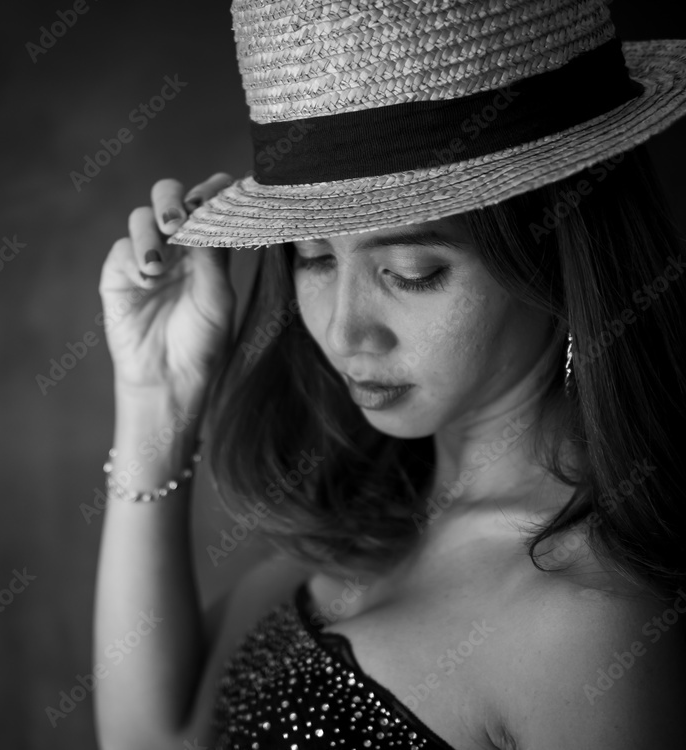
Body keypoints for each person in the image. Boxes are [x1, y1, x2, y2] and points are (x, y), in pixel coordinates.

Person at [92, 1, 686, 748]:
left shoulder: (589, 623)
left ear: (557, 249)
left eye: (412, 271)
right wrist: (156, 402)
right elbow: (155, 741)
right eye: (312, 259)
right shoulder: (371, 519)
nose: (344, 330)